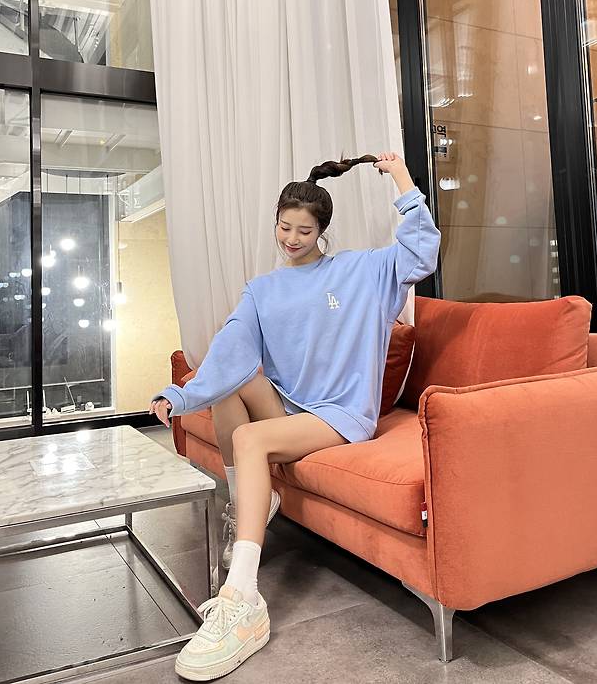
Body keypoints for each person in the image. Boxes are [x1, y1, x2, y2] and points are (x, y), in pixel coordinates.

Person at [149, 151, 440, 681]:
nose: (292, 238)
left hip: (341, 413)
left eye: (304, 230)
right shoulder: (262, 288)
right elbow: (232, 348)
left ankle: (242, 596)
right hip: (289, 403)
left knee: (252, 439)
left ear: (321, 231)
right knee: (229, 386)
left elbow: (421, 252)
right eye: (284, 227)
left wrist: (400, 177)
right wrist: (180, 395)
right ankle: (251, 502)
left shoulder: (362, 270)